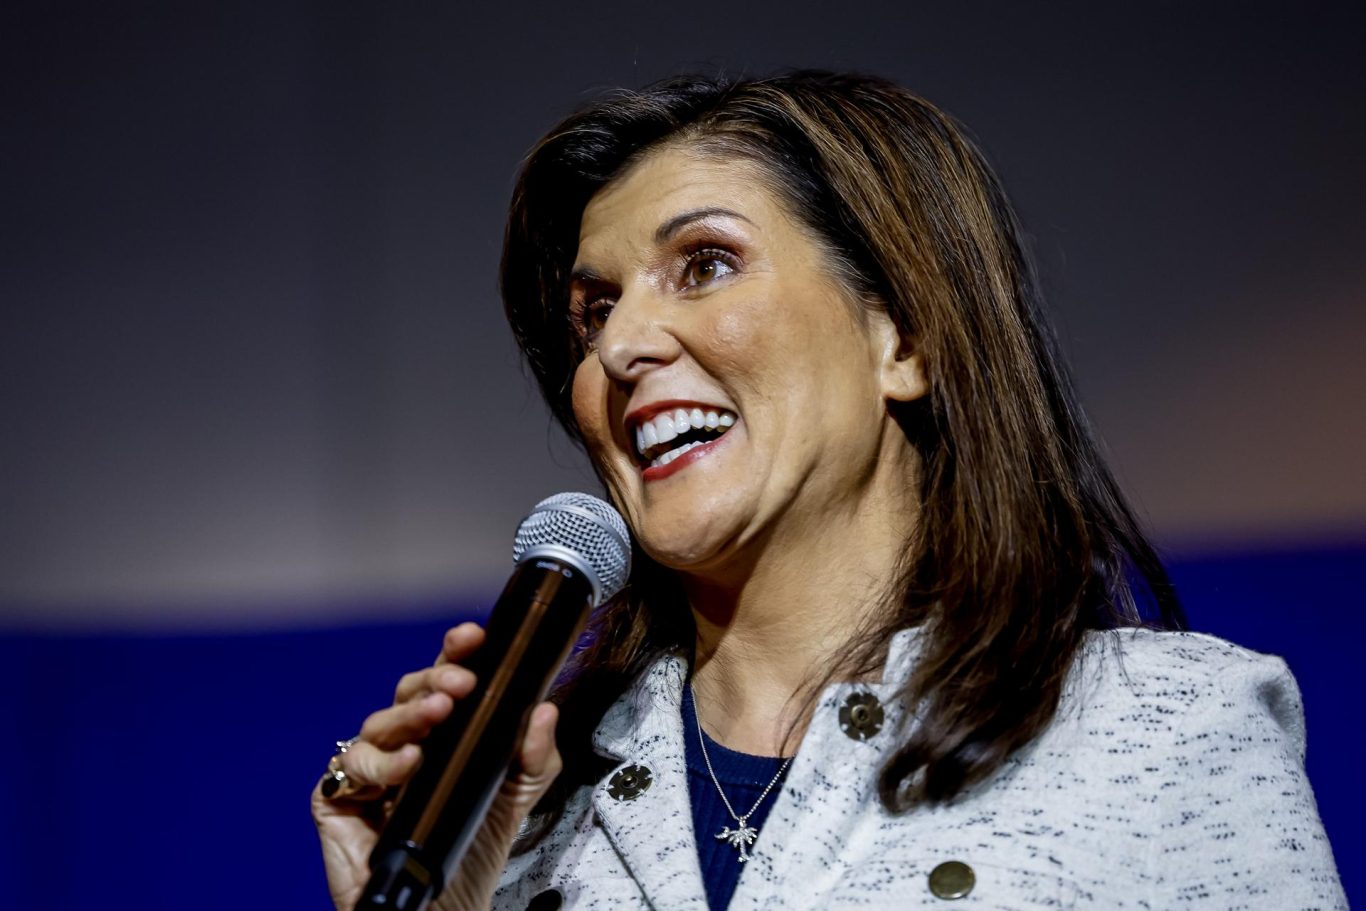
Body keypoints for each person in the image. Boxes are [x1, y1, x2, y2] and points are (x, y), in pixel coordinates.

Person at [312, 72, 1346, 910]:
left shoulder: (1158, 728)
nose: (621, 345)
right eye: (593, 313)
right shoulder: (511, 814)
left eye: (705, 263)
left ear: (903, 336)